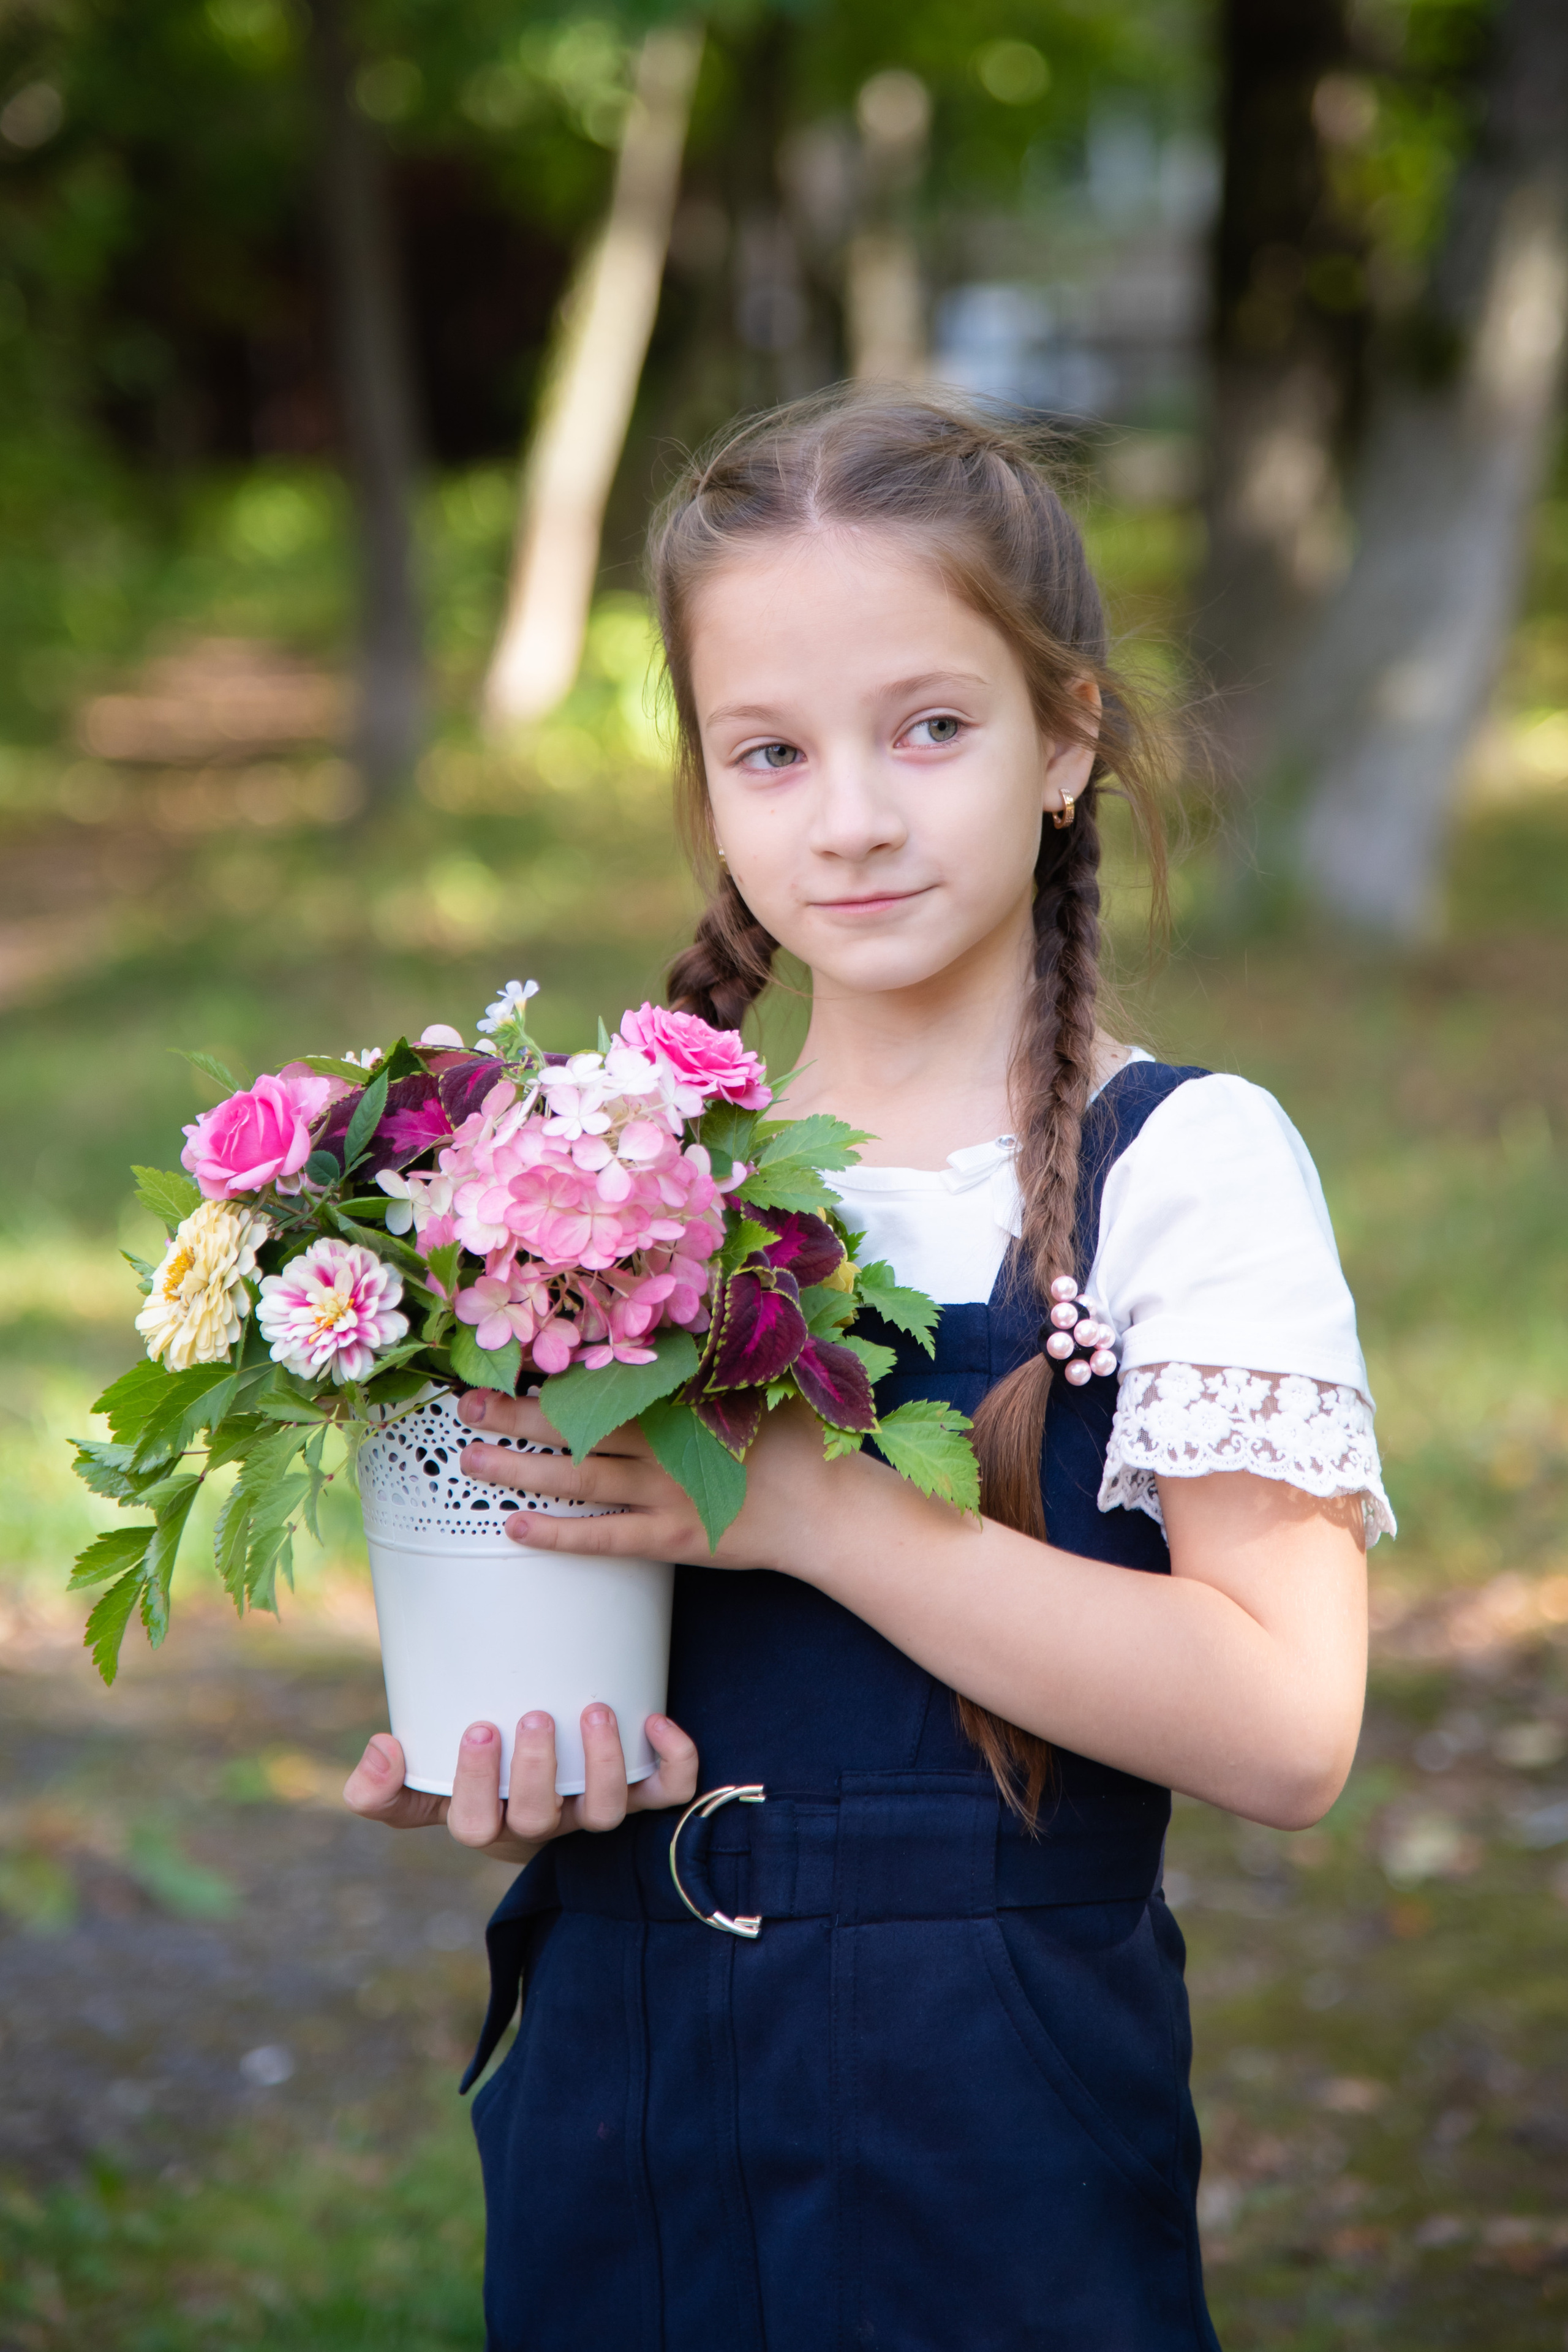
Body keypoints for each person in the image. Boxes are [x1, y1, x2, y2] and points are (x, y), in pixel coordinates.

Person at [344, 391, 1390, 2350]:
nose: (850, 816)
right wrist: (524, 1748)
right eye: (772, 750)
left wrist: (820, 1513)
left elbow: (1286, 1727)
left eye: (929, 728)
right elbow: (583, 1624)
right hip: (621, 2085)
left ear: (1066, 740)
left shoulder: (1186, 1165)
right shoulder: (615, 1183)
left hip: (987, 2114)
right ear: (709, 787)